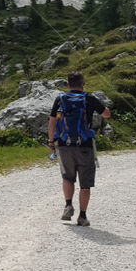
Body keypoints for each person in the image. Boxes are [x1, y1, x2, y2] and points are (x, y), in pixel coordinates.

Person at [47, 71, 110, 227]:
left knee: (67, 177)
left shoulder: (60, 99)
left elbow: (52, 123)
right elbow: (107, 114)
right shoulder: (89, 99)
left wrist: (51, 142)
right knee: (85, 183)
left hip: (64, 145)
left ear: (68, 85)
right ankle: (82, 217)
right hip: (85, 146)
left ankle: (68, 205)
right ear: (83, 84)